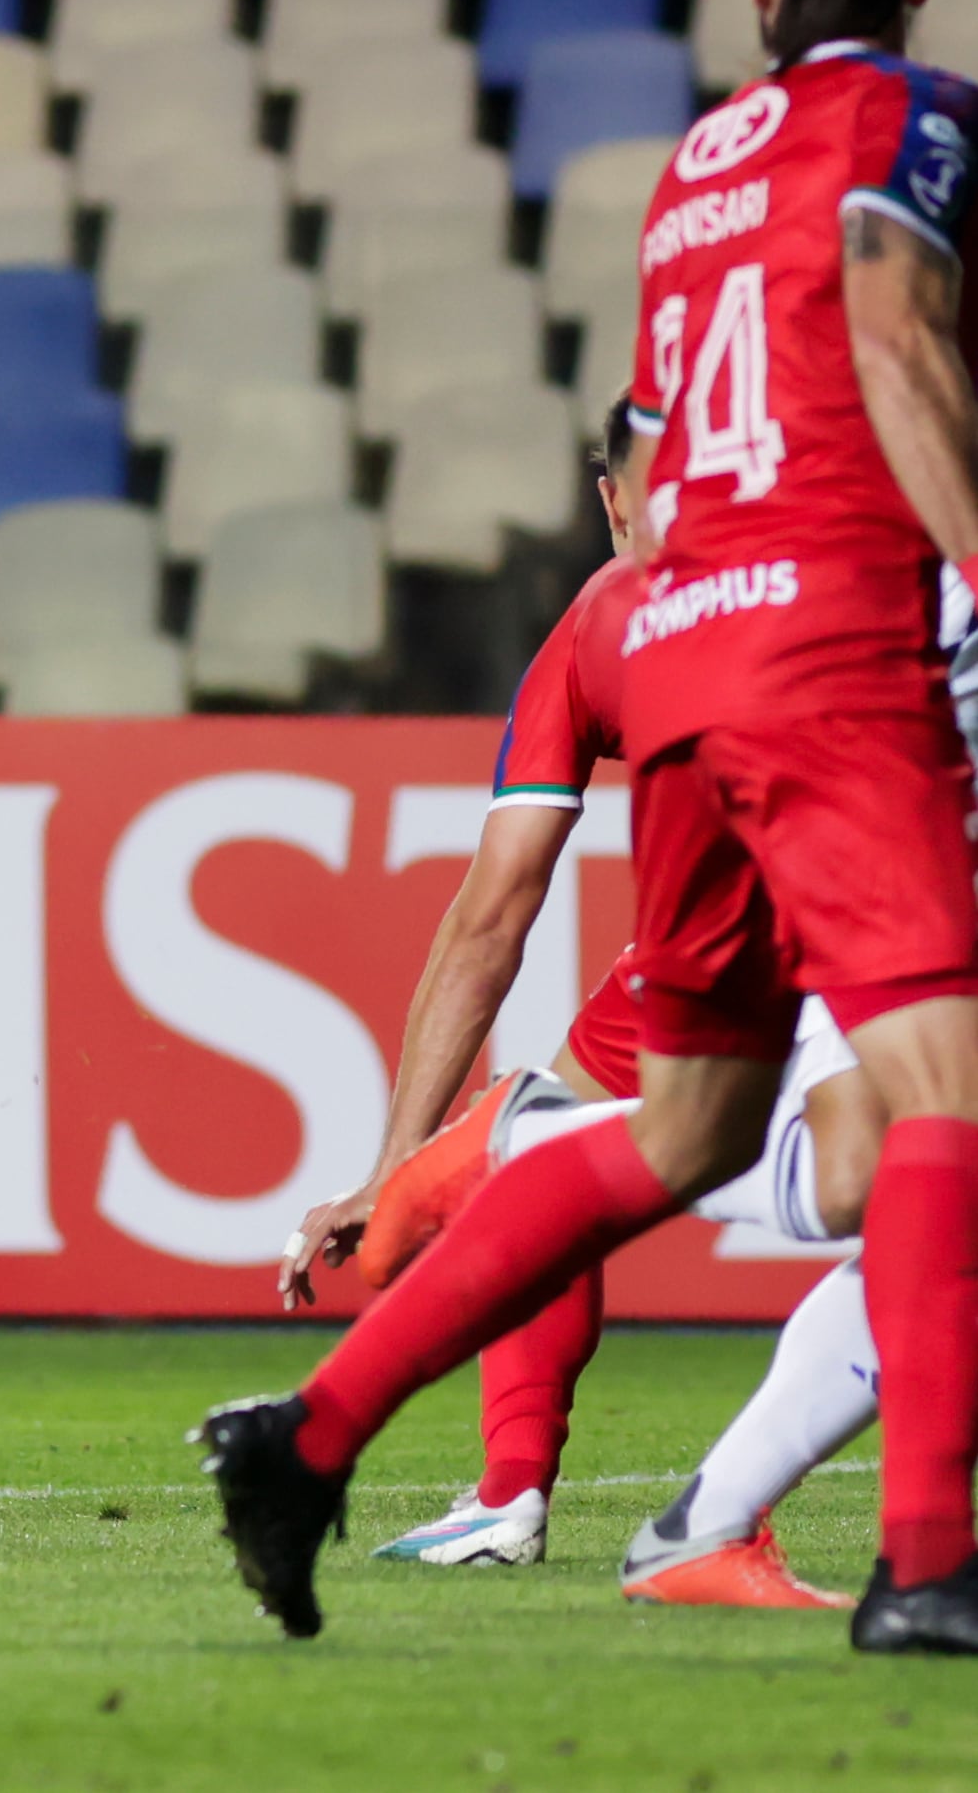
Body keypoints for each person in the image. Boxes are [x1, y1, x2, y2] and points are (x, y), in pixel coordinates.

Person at [198, 0, 978, 1655]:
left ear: (758, 13)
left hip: (684, 641)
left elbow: (680, 427)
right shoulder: (909, 117)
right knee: (945, 1102)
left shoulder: (694, 163)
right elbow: (894, 324)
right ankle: (920, 1562)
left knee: (682, 1125)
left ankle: (307, 1437)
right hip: (835, 646)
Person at [273, 398, 872, 1607]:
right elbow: (493, 915)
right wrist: (397, 1164)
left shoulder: (605, 620)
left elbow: (494, 909)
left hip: (731, 938)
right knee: (891, 1186)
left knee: (896, 1194)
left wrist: (397, 1163)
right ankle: (642, 1504)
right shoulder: (827, 567)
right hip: (845, 915)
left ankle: (525, 1490)